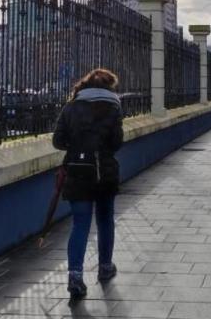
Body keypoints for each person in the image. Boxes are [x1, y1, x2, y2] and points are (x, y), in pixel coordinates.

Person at [53, 68, 124, 298]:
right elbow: (117, 143)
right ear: (109, 87)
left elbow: (58, 141)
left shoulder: (71, 107)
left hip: (77, 172)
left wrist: (78, 148)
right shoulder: (113, 107)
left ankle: (75, 276)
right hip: (104, 173)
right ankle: (105, 268)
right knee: (105, 220)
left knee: (80, 224)